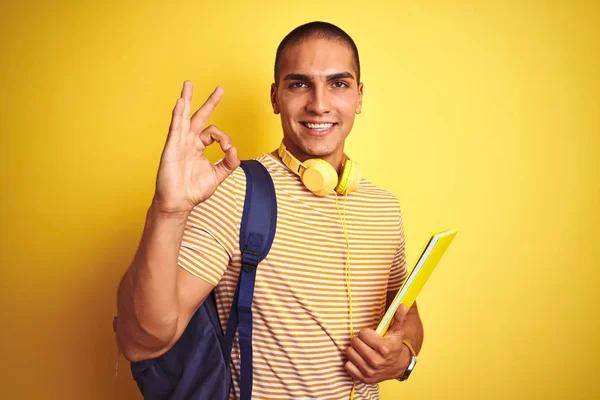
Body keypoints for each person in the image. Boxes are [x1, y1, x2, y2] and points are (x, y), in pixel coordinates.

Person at [116, 21, 424, 400]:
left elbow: (407, 317)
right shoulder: (235, 190)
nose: (320, 103)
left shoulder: (384, 207)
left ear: (359, 97)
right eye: (299, 84)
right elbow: (141, 342)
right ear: (276, 97)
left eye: (338, 84)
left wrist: (404, 357)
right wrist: (167, 211)